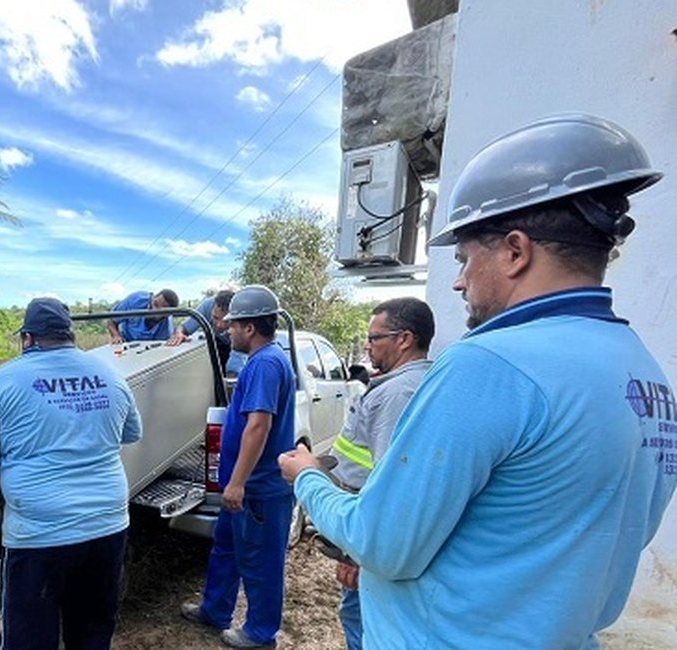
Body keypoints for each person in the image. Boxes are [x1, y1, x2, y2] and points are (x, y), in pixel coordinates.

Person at [279, 113, 676, 648]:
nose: (460, 280)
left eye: (465, 258)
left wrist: (306, 475)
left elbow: (382, 544)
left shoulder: (489, 365)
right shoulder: (645, 373)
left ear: (516, 250)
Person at [0, 297, 142, 650]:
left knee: (30, 639)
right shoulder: (110, 375)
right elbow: (132, 432)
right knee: (92, 631)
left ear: (28, 338)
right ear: (70, 334)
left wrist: (2, 495)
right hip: (107, 524)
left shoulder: (3, 382)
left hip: (38, 534)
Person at [180, 285, 296, 648]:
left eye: (232, 326)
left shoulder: (265, 363)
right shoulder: (261, 361)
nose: (227, 330)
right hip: (244, 484)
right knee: (226, 548)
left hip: (258, 487)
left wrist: (238, 483)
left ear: (249, 328)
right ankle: (215, 610)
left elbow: (258, 426)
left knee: (261, 562)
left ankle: (260, 633)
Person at [326, 297, 434, 650]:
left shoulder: (396, 394)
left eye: (374, 338)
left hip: (370, 541)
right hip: (375, 536)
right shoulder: (411, 382)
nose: (368, 346)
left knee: (361, 619)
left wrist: (358, 556)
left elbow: (389, 484)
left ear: (404, 339)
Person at [166, 289, 247, 373]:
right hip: (216, 343)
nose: (219, 325)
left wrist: (232, 377)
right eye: (216, 318)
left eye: (226, 320)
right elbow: (184, 328)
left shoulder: (241, 313)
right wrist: (179, 334)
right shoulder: (207, 305)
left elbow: (239, 356)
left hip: (237, 346)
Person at [107, 288, 179, 343]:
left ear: (168, 315)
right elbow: (111, 321)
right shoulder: (135, 300)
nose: (154, 310)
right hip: (126, 342)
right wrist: (116, 336)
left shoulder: (168, 328)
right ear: (153, 297)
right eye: (155, 304)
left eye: (161, 311)